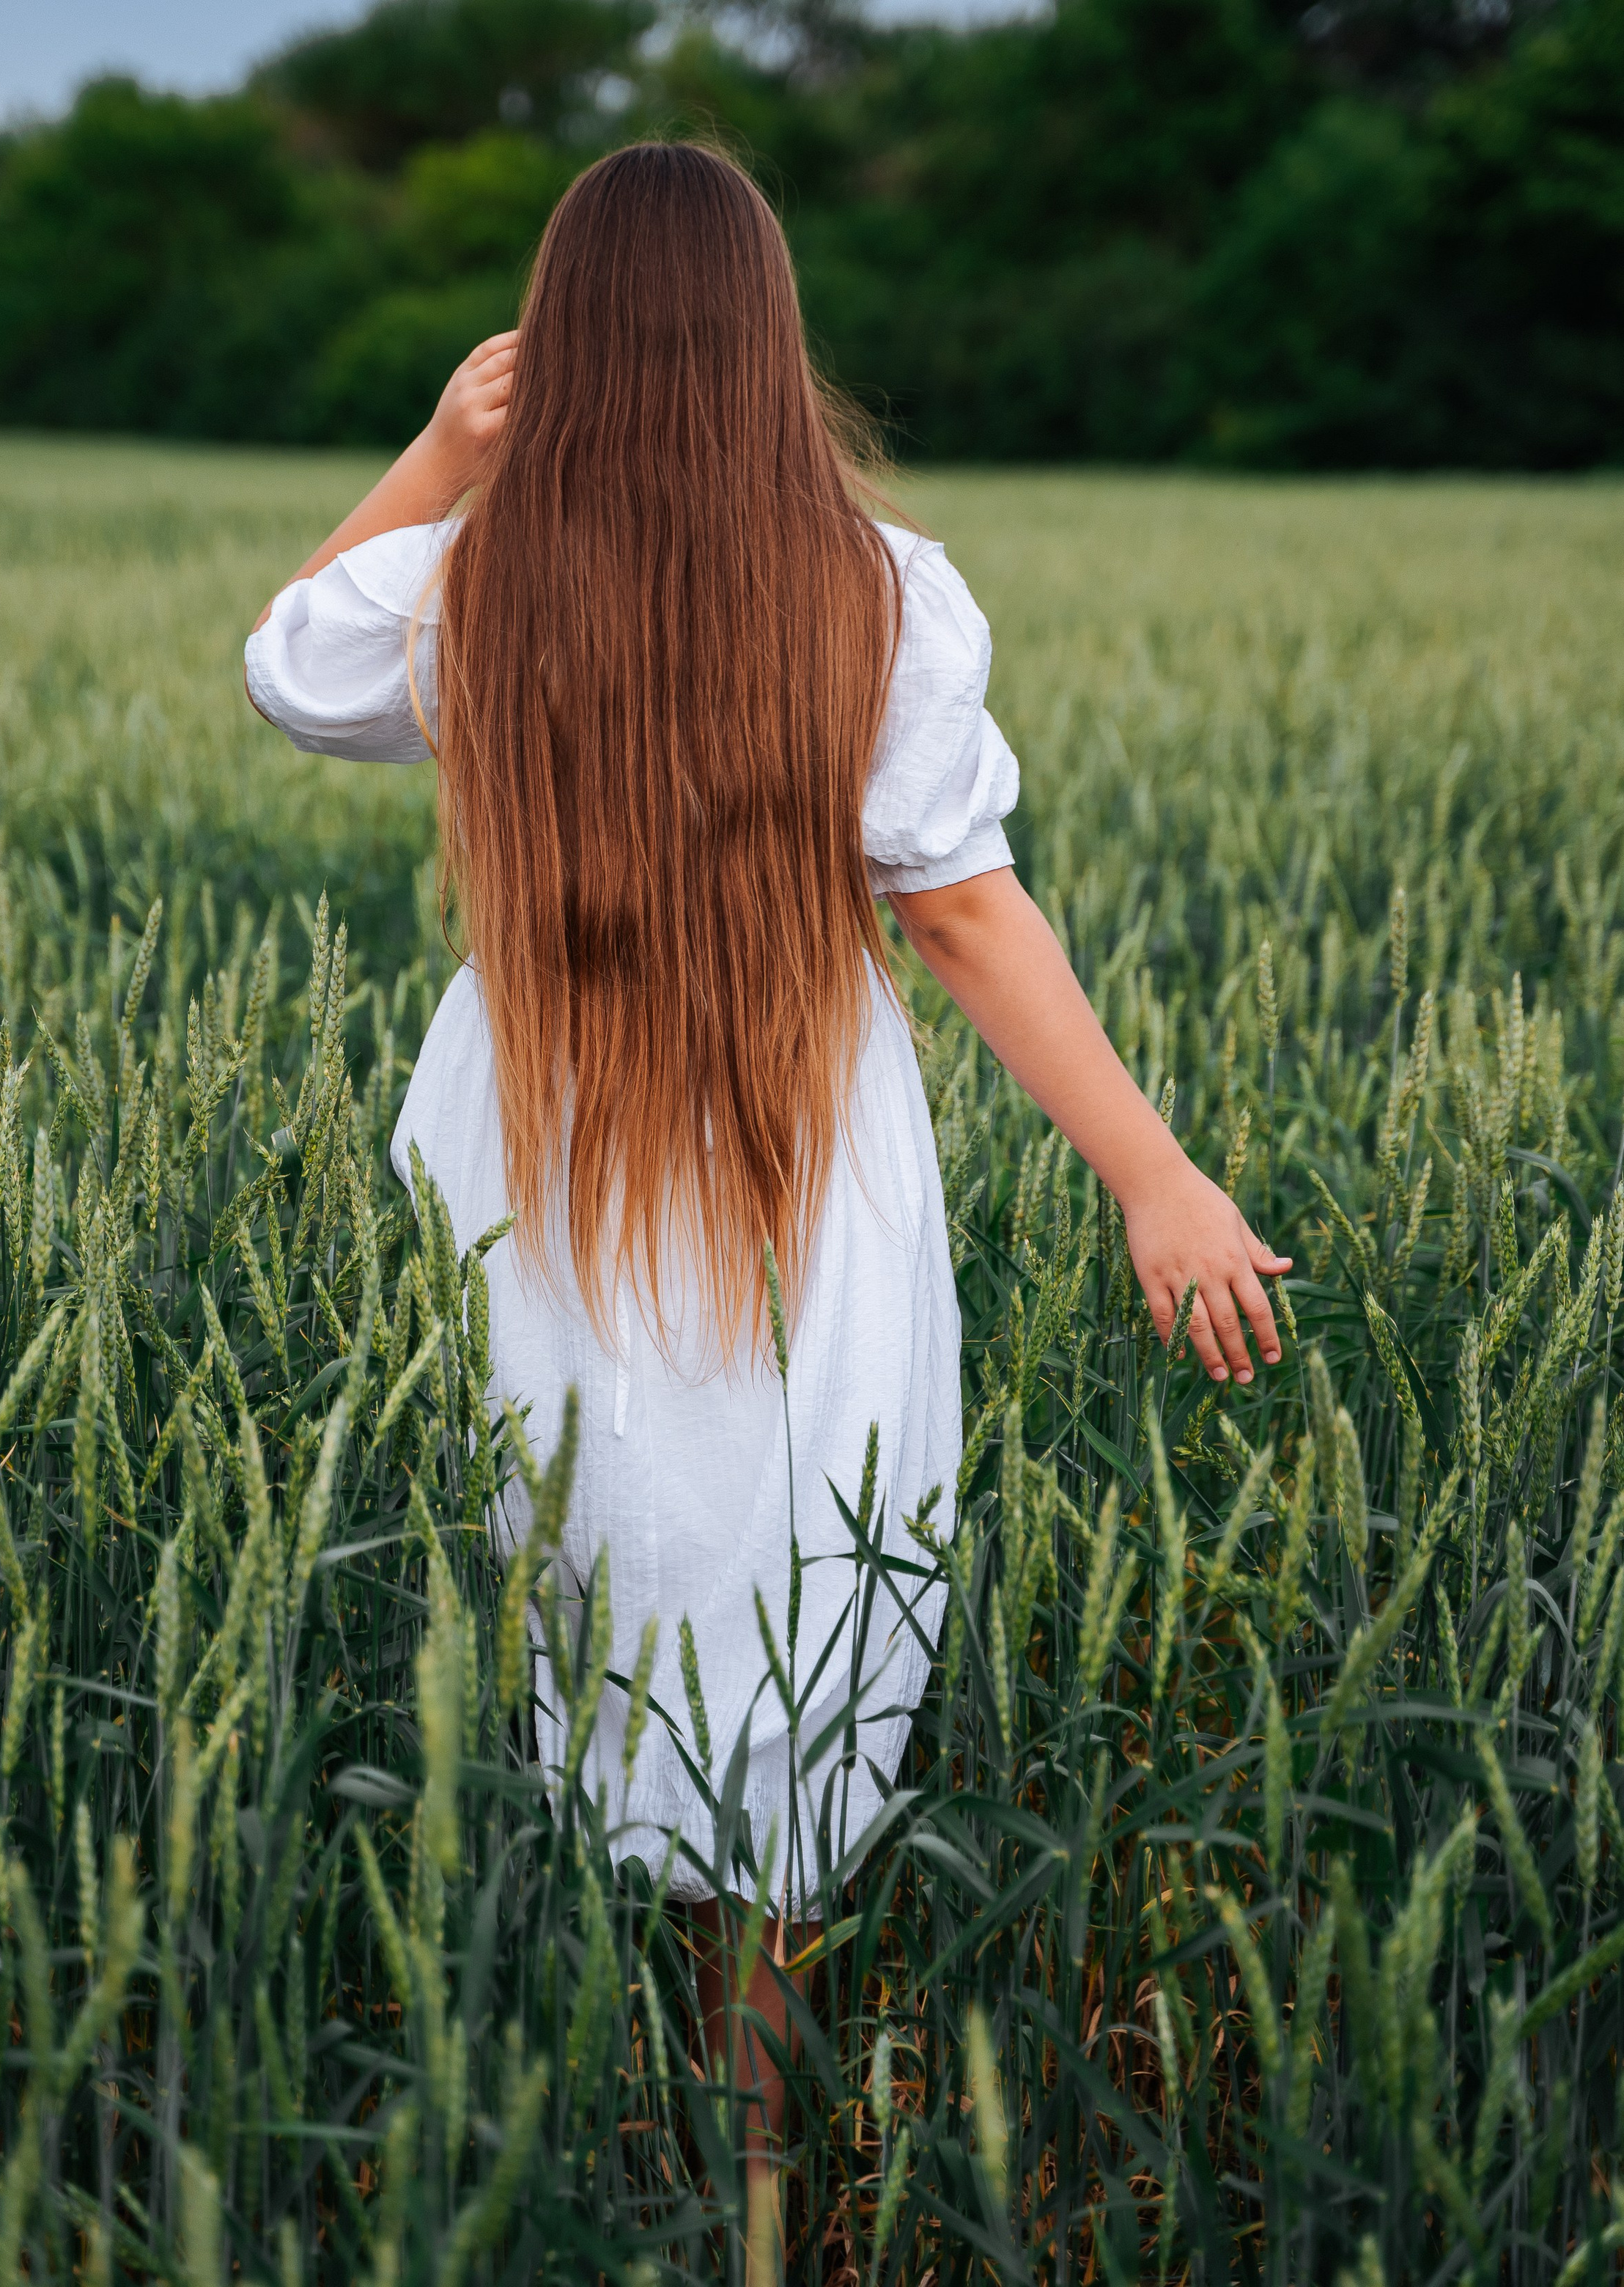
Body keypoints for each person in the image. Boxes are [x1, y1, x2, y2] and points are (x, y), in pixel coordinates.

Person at [245, 139, 1288, 2157]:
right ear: (767, 336)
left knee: (571, 1556)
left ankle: (565, 2094)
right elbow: (960, 911)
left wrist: (441, 454)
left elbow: (292, 665)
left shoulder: (472, 580)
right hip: (800, 1140)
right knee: (798, 1571)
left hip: (541, 1140)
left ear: (556, 343)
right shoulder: (880, 593)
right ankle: (744, 2125)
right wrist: (1155, 1177)